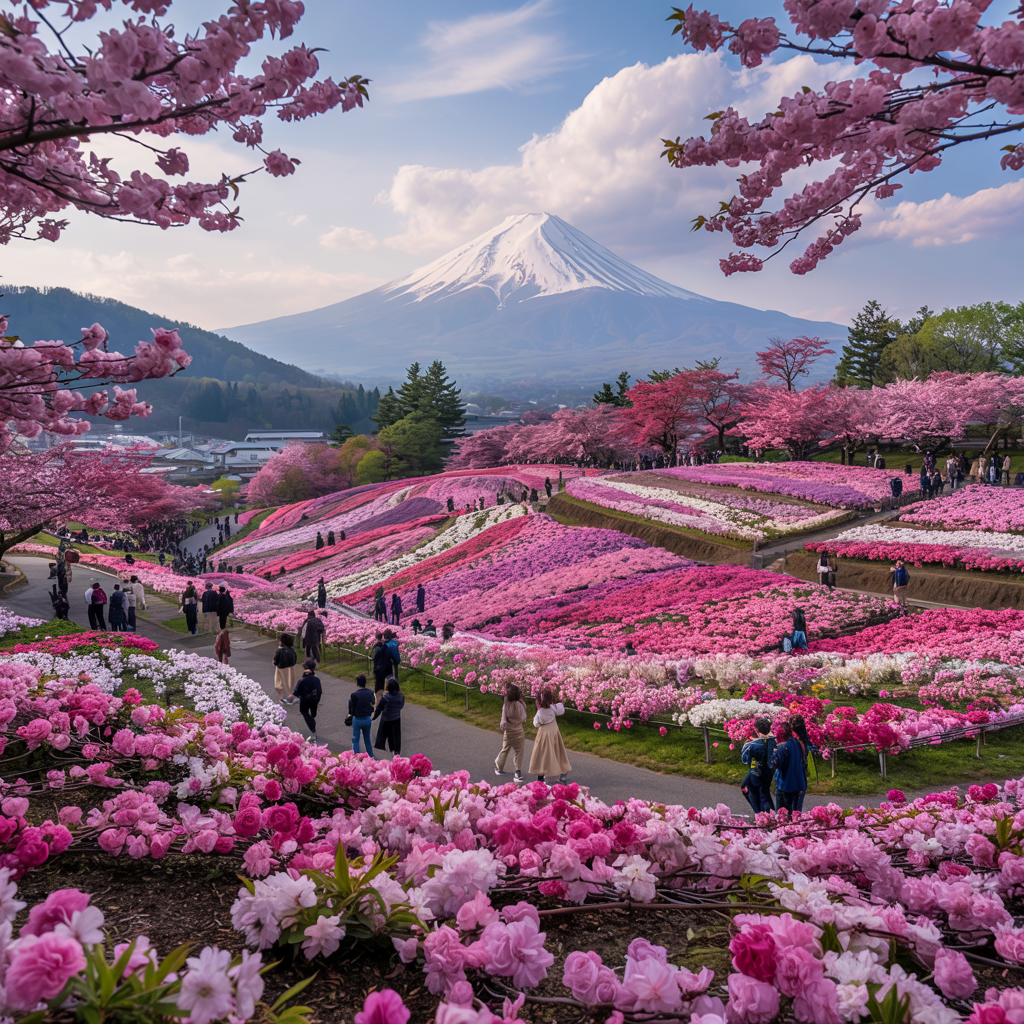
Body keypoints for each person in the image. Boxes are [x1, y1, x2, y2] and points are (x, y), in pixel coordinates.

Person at [529, 687, 571, 783]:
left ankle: (541, 774)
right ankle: (563, 770)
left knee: (543, 753)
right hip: (554, 730)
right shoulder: (554, 708)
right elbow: (561, 710)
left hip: (544, 732)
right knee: (558, 751)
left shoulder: (540, 711)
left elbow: (536, 723)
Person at [739, 717, 776, 813]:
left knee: (752, 791)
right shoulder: (774, 742)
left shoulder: (750, 745)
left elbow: (744, 760)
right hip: (768, 771)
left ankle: (759, 814)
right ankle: (769, 814)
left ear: (756, 730)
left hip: (755, 772)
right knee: (765, 793)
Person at [770, 722, 807, 813]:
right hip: (799, 783)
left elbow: (774, 764)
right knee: (796, 816)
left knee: (782, 816)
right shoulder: (798, 742)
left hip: (785, 786)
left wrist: (773, 752)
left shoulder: (782, 747)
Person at [494, 683, 527, 782]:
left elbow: (503, 718)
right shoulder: (520, 706)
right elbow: (524, 717)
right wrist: (522, 702)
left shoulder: (506, 705)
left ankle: (499, 767)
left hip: (508, 732)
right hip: (519, 732)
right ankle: (518, 772)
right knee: (519, 752)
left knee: (505, 749)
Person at [790, 715, 817, 811]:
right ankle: (797, 816)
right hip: (801, 769)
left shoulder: (790, 738)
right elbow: (809, 745)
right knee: (799, 795)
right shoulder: (804, 736)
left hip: (790, 771)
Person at [373, 677, 405, 756]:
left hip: (386, 719)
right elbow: (401, 706)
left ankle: (382, 751)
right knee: (395, 736)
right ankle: (396, 752)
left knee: (382, 736)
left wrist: (373, 717)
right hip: (396, 718)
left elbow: (379, 708)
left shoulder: (386, 698)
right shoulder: (401, 696)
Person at [293, 658, 322, 743]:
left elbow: (296, 692)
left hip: (304, 700)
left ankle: (313, 730)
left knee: (304, 712)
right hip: (315, 699)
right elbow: (320, 691)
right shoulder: (317, 680)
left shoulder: (302, 680)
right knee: (313, 714)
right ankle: (312, 723)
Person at [349, 673, 376, 757]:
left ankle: (356, 757)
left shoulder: (354, 695)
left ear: (357, 682)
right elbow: (373, 703)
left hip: (357, 719)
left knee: (355, 739)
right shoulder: (371, 693)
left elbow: (351, 709)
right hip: (367, 719)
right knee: (367, 739)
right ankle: (371, 756)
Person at [273, 634, 298, 701]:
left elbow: (275, 660)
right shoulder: (292, 650)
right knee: (290, 681)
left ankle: (281, 697)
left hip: (281, 668)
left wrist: (275, 663)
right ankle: (290, 695)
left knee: (279, 682)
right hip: (291, 667)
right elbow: (295, 658)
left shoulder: (280, 650)